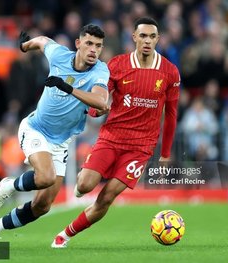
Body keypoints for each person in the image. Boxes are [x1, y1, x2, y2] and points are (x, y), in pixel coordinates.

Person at [51, 17, 181, 248]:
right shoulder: (117, 65)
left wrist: (165, 153)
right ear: (134, 38)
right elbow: (101, 97)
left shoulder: (170, 72)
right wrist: (94, 111)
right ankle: (81, 186)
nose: (147, 41)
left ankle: (65, 235)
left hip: (140, 147)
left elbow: (170, 114)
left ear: (158, 39)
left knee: (107, 197)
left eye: (152, 36)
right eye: (143, 36)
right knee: (85, 185)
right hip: (112, 137)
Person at [0, 24, 110, 242]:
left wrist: (68, 88)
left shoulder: (100, 70)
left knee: (42, 205)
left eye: (98, 46)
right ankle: (7, 186)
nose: (93, 50)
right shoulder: (59, 55)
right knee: (45, 177)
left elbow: (101, 101)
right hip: (35, 130)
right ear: (78, 44)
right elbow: (42, 41)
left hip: (61, 141)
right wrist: (24, 46)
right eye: (89, 43)